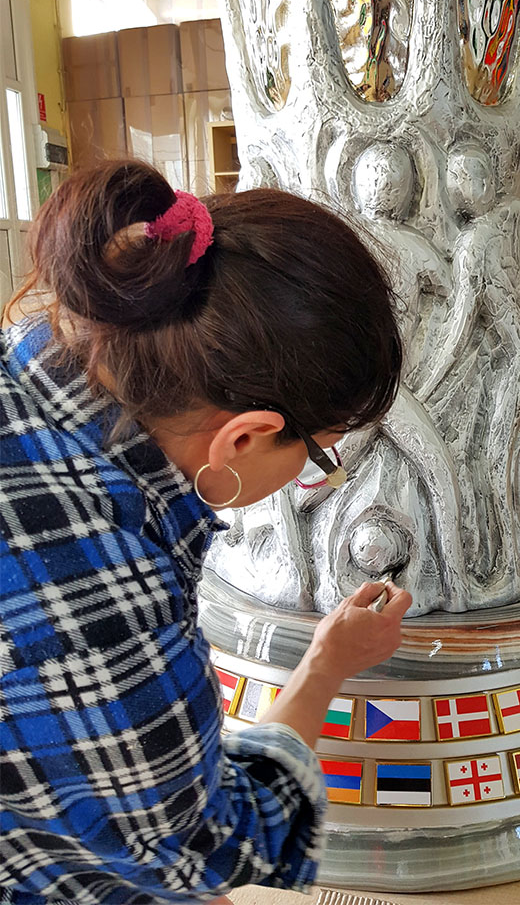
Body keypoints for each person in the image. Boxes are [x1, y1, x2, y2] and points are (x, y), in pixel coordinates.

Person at [0, 160, 412, 905]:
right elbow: (213, 852)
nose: (317, 471)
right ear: (244, 439)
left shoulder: (31, 366)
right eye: (321, 452)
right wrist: (323, 670)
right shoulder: (99, 604)